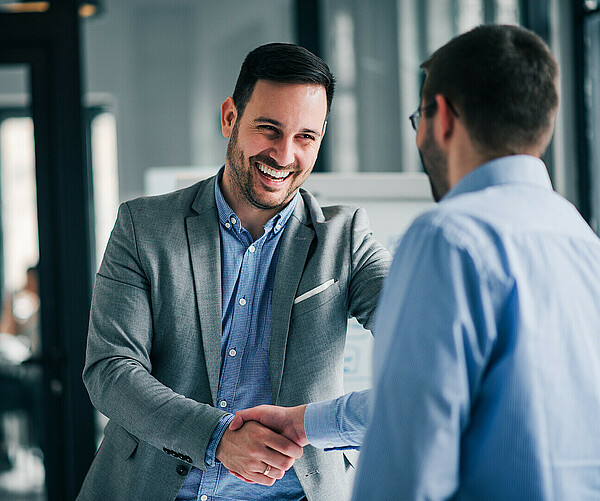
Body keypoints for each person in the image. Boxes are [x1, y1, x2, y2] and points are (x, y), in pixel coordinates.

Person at [232, 24, 600, 500]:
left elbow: (409, 450)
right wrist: (305, 422)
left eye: (418, 117)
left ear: (441, 117)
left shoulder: (449, 238)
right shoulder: (584, 242)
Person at [77, 42, 391, 501]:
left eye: (306, 137)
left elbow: (425, 342)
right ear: (230, 117)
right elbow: (110, 370)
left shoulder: (345, 239)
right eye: (269, 129)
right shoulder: (143, 227)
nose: (284, 155)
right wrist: (217, 437)